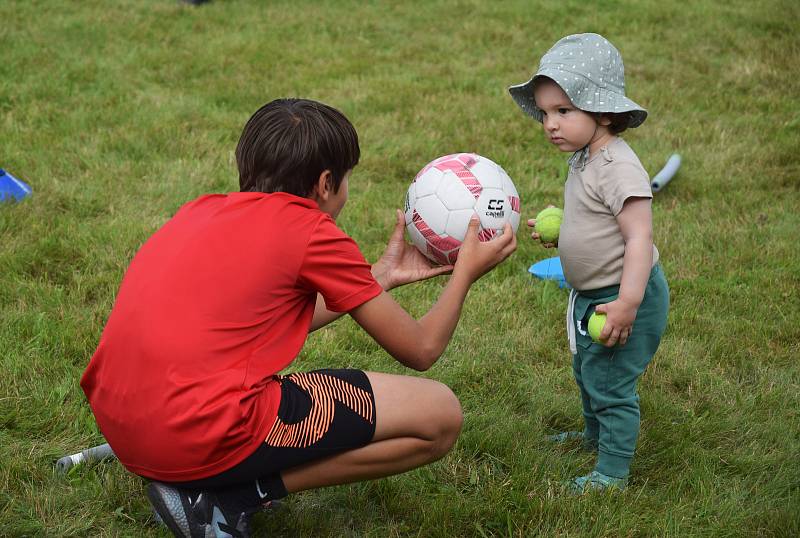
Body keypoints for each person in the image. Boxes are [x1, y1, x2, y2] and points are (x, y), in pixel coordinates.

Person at [80, 98, 516, 537]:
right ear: (325, 183)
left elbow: (253, 322)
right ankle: (229, 495)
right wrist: (465, 273)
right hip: (196, 432)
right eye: (347, 179)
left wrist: (378, 277)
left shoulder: (202, 209)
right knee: (439, 416)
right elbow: (421, 349)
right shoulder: (312, 232)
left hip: (124, 422)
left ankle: (183, 464)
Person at [508, 33, 669, 492]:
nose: (549, 124)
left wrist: (627, 304)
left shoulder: (619, 167)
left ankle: (612, 472)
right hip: (592, 295)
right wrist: (562, 230)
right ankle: (593, 435)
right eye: (544, 113)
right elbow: (593, 215)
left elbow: (639, 238)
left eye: (563, 111)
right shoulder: (585, 156)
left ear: (602, 111)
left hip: (622, 297)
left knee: (612, 382)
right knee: (588, 371)